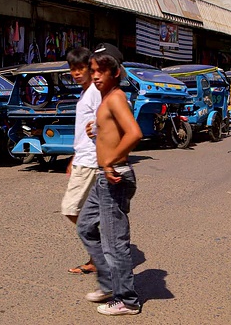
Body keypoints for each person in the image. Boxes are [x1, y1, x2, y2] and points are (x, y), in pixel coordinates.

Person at [77, 43, 143, 316]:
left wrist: (109, 162)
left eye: (102, 70)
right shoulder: (107, 98)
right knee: (85, 226)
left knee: (114, 242)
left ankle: (127, 300)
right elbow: (114, 132)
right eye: (93, 70)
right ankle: (108, 283)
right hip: (106, 177)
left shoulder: (115, 97)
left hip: (114, 176)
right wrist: (97, 130)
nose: (95, 75)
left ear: (115, 72)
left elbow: (134, 133)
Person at [60, 47, 102, 275]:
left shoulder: (95, 92)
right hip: (83, 158)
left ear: (90, 68)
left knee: (71, 207)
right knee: (86, 210)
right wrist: (74, 157)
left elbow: (105, 118)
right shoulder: (86, 92)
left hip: (91, 161)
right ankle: (96, 255)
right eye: (72, 69)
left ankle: (100, 250)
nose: (76, 73)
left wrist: (97, 127)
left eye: (80, 68)